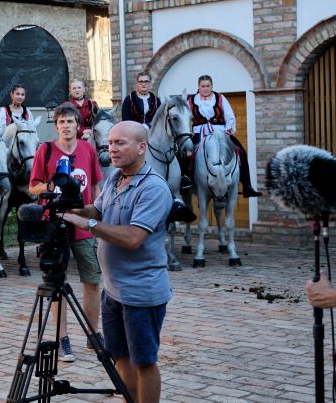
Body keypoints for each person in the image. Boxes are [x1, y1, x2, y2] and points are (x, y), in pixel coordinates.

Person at [62, 120, 172, 403]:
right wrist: (75, 209)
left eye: (120, 143)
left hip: (141, 293)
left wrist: (87, 223)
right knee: (120, 357)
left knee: (144, 362)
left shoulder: (154, 188)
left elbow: (134, 238)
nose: (112, 148)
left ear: (141, 147)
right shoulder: (114, 177)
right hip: (113, 291)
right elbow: (97, 211)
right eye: (110, 143)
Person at [29, 102, 103, 363]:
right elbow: (33, 187)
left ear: (77, 124)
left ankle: (93, 335)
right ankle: (63, 339)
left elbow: (95, 185)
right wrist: (51, 184)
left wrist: (94, 216)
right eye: (61, 122)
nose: (66, 126)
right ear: (56, 125)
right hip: (55, 224)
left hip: (83, 225)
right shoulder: (45, 150)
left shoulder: (88, 149)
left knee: (92, 281)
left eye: (70, 121)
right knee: (56, 285)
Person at [187, 75, 261, 198]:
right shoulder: (190, 101)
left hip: (220, 133)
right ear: (198, 87)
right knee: (186, 153)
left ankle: (247, 186)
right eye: (202, 86)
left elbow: (230, 116)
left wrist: (228, 130)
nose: (205, 88)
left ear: (212, 86)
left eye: (208, 86)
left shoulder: (220, 98)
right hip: (199, 134)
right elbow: (185, 118)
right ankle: (186, 182)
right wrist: (189, 131)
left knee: (241, 151)